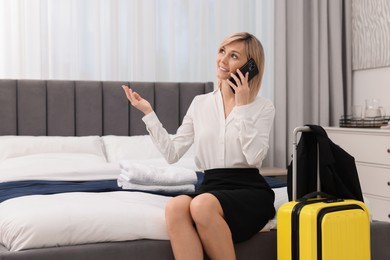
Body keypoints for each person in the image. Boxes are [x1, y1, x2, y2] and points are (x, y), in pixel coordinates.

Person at [122, 32, 275, 260]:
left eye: (233, 56)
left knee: (202, 205)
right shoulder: (200, 103)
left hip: (248, 189)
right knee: (175, 208)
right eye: (222, 51)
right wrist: (148, 113)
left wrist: (242, 107)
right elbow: (172, 154)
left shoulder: (263, 107)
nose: (223, 60)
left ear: (250, 66)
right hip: (212, 186)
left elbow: (254, 158)